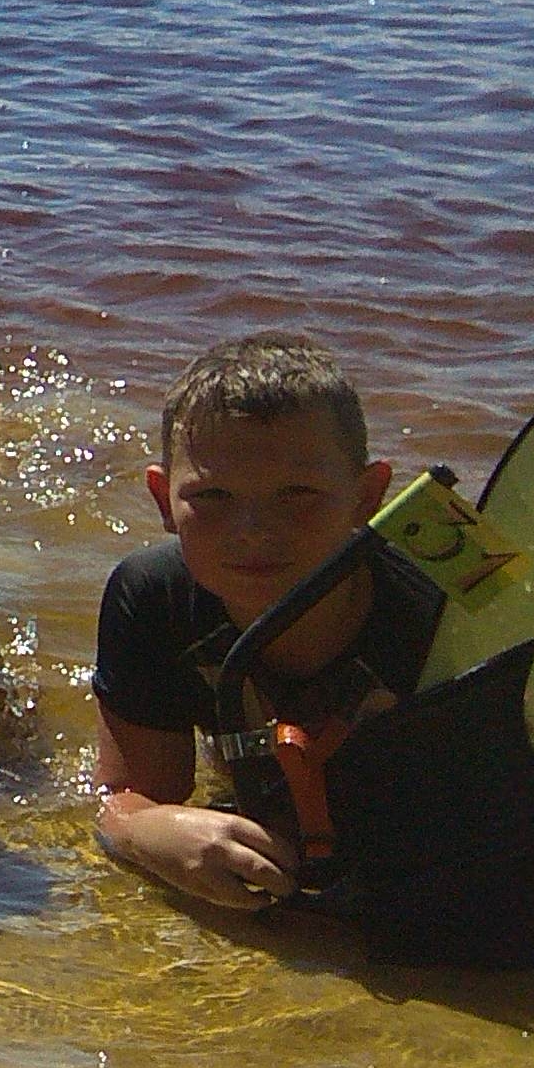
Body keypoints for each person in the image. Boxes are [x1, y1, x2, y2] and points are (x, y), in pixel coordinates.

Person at [92, 335, 432, 912]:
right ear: (162, 499)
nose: (252, 530)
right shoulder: (151, 596)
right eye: (213, 495)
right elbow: (127, 800)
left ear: (368, 496)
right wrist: (151, 830)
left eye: (297, 493)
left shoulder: (442, 601)